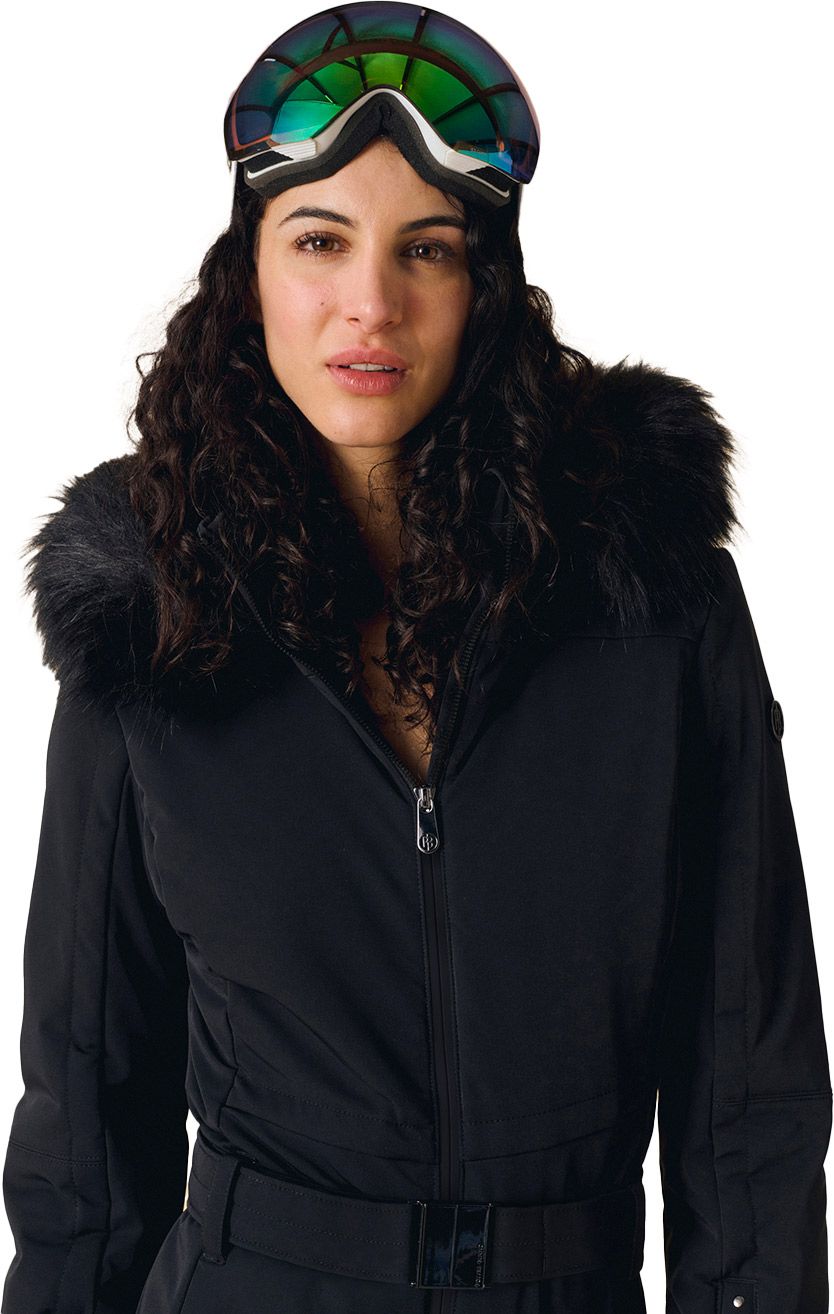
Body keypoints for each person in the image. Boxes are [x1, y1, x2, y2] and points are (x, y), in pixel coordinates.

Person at [2, 3, 831, 1312]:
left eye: (426, 250)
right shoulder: (151, 602)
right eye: (318, 240)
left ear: (483, 288)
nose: (369, 304)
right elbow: (88, 1083)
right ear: (249, 273)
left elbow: (747, 1071)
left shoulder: (653, 596)